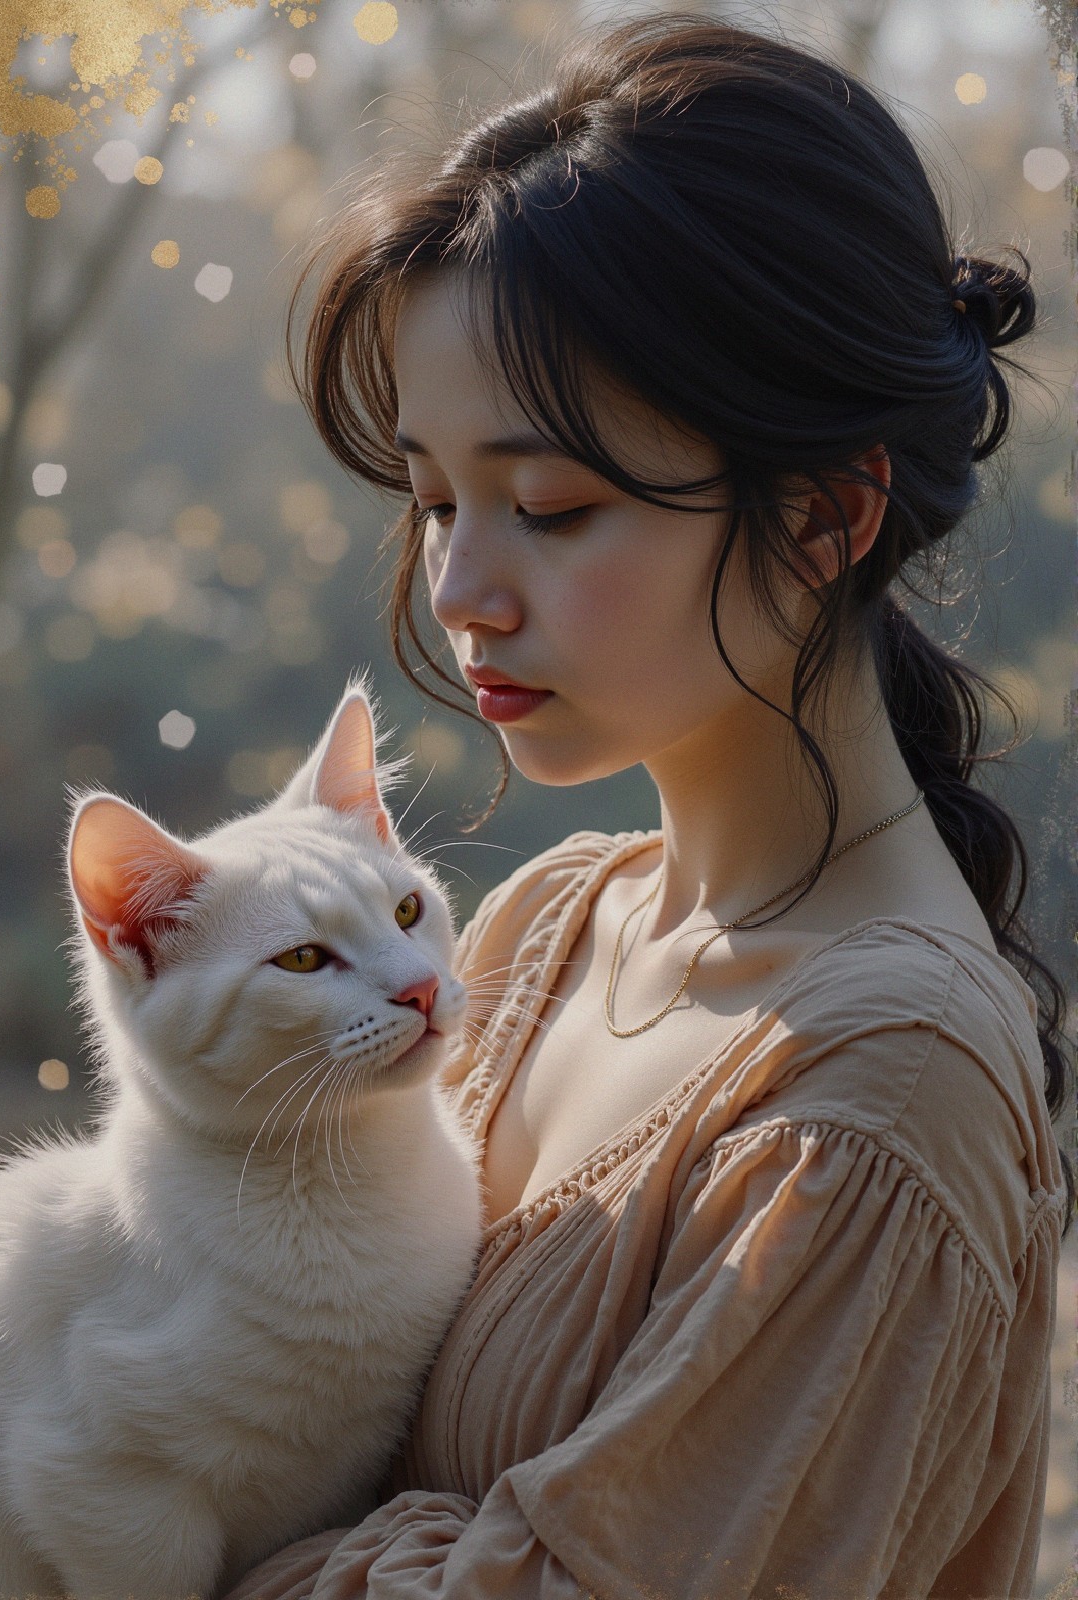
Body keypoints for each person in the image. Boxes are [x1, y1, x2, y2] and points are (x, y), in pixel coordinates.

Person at [222, 14, 1074, 1597]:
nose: (463, 589)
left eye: (549, 505)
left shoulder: (884, 1094)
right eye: (431, 499)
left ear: (822, 515)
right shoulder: (547, 923)